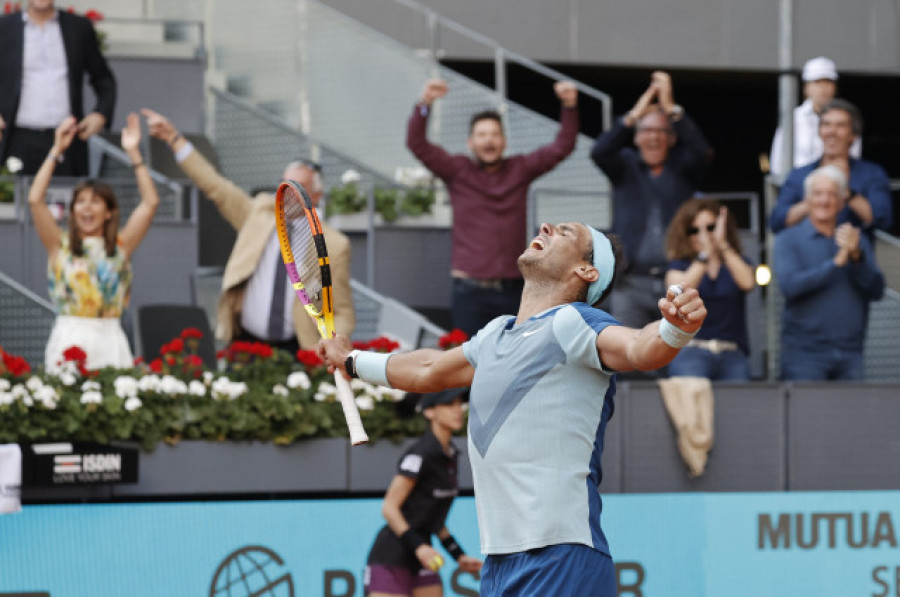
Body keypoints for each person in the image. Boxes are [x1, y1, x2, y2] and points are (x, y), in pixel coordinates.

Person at [320, 221, 708, 596]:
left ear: (586, 270)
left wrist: (674, 329)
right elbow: (427, 370)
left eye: (565, 231)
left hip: (560, 557)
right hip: (500, 563)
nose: (545, 228)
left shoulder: (573, 322)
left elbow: (639, 347)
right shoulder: (494, 335)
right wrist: (353, 361)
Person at [142, 108, 355, 353]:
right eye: (284, 184)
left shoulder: (334, 245)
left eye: (299, 187)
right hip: (245, 342)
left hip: (297, 350)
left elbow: (342, 309)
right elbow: (215, 186)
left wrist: (333, 344)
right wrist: (174, 139)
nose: (288, 194)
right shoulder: (259, 215)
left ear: (316, 195)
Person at [407, 78, 579, 338]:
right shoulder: (457, 170)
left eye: (495, 134)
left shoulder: (520, 169)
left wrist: (569, 105)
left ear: (504, 142)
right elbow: (417, 144)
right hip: (469, 291)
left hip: (514, 289)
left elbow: (561, 147)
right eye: (482, 135)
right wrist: (424, 104)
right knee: (465, 368)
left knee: (513, 365)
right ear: (470, 142)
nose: (489, 140)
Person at [29, 113, 158, 372]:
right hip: (68, 334)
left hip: (110, 338)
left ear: (108, 211)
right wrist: (56, 150)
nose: (87, 208)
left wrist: (134, 154)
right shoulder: (59, 244)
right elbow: (35, 199)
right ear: (73, 209)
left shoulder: (121, 245)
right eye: (81, 201)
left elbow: (150, 202)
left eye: (95, 201)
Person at [590, 71, 713, 331]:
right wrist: (636, 112)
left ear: (672, 138)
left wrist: (671, 109)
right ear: (636, 137)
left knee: (673, 356)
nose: (654, 137)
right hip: (630, 281)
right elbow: (599, 151)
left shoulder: (683, 168)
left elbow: (703, 152)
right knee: (627, 357)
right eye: (646, 130)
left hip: (678, 279)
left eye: (661, 130)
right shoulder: (624, 165)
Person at [364, 388, 482, 597]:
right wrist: (419, 547)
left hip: (424, 553)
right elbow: (389, 508)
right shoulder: (420, 453)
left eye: (458, 404)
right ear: (429, 412)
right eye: (448, 404)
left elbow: (434, 519)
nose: (457, 410)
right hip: (392, 555)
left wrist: (458, 555)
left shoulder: (451, 454)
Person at [774, 165, 884, 381]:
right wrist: (836, 263)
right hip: (804, 354)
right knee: (804, 414)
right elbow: (790, 287)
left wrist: (856, 257)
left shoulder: (855, 239)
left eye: (832, 194)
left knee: (852, 415)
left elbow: (877, 290)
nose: (824, 201)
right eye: (818, 194)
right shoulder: (788, 238)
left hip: (851, 352)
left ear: (842, 201)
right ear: (807, 200)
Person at [0, 0, 116, 176]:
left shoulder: (78, 28)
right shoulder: (4, 27)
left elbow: (104, 79)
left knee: (65, 198)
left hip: (66, 137)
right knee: (15, 198)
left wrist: (100, 114)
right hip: (17, 139)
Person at [769, 99, 892, 241]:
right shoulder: (799, 174)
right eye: (826, 124)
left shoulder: (871, 174)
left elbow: (883, 220)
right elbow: (776, 222)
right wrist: (817, 197)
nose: (832, 132)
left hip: (853, 257)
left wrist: (846, 191)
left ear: (854, 135)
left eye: (840, 125)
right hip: (807, 256)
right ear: (819, 131)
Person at [664, 199, 755, 381]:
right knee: (690, 408)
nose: (703, 234)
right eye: (694, 230)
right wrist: (704, 255)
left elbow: (748, 282)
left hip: (732, 353)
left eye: (710, 227)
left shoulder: (735, 262)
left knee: (743, 407)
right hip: (690, 351)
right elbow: (678, 292)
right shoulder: (679, 265)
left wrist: (721, 244)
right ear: (685, 234)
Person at [769, 56, 862, 181]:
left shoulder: (847, 116)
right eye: (817, 82)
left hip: (838, 188)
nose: (823, 88)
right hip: (800, 188)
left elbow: (855, 159)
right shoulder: (793, 119)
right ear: (806, 87)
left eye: (828, 82)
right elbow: (777, 163)